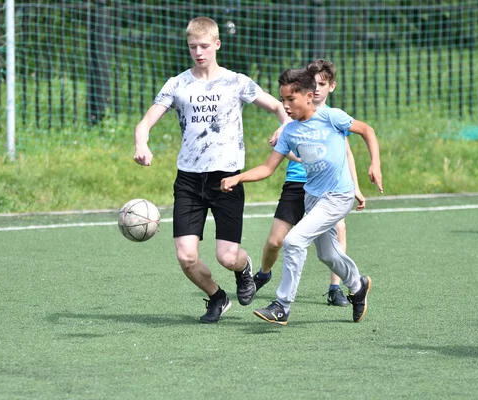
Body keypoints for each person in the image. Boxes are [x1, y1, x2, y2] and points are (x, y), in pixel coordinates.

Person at [133, 17, 291, 323]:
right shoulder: (177, 84)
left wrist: (284, 128)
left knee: (227, 256)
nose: (199, 52)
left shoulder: (236, 82)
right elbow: (145, 123)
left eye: (204, 46)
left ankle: (245, 270)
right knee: (186, 256)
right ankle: (217, 297)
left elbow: (277, 107)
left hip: (228, 178)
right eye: (193, 46)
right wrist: (142, 144)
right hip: (189, 180)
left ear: (217, 44)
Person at [220, 68, 383, 325]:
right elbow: (267, 168)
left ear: (309, 96)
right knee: (327, 255)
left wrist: (375, 165)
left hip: (338, 196)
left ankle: (282, 305)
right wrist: (238, 177)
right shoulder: (289, 132)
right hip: (312, 198)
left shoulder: (332, 117)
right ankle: (358, 285)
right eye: (282, 100)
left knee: (294, 241)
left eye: (290, 100)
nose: (285, 105)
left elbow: (367, 130)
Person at [254, 59, 365, 307]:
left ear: (330, 87)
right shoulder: (291, 123)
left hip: (335, 189)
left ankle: (327, 290)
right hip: (301, 186)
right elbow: (280, 159)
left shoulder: (334, 118)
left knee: (311, 237)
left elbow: (347, 152)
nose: (316, 89)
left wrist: (356, 185)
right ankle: (357, 284)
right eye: (313, 84)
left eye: (321, 84)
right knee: (293, 244)